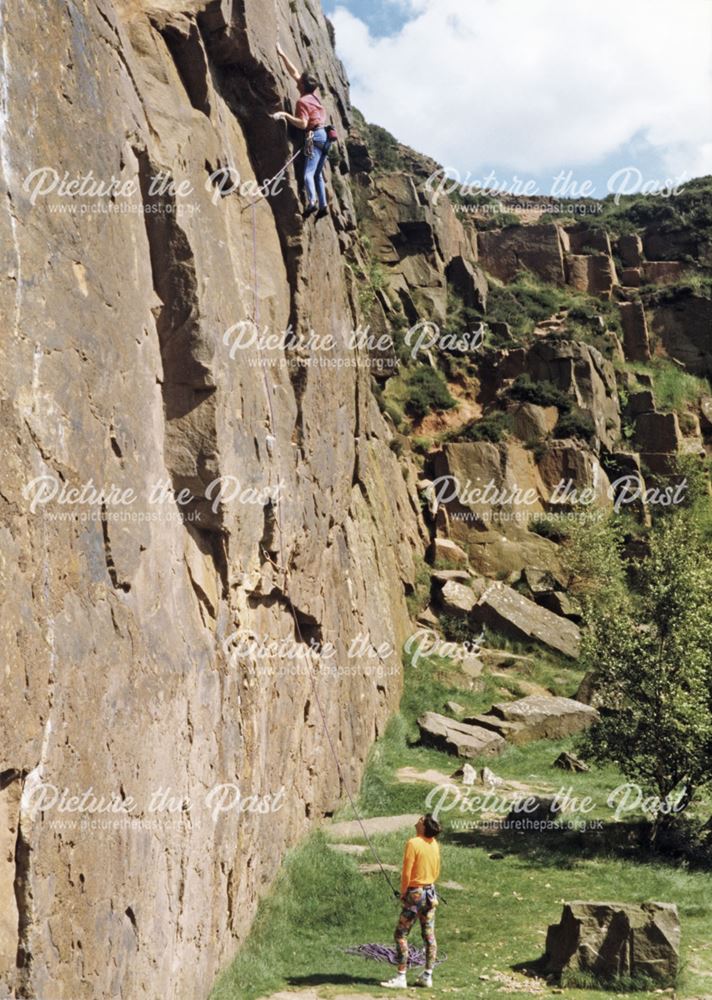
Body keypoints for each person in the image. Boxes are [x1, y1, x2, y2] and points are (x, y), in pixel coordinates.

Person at [381, 813, 442, 990]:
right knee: (429, 935)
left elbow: (407, 872)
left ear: (423, 825)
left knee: (401, 934)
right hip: (430, 893)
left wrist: (403, 892)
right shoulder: (434, 844)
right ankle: (427, 975)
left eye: (421, 818)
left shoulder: (413, 843)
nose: (418, 820)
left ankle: (401, 976)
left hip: (415, 893)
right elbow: (437, 870)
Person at [271, 42, 332, 219]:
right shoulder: (313, 96)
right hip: (325, 137)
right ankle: (323, 205)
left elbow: (303, 124)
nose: (297, 82)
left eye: (300, 83)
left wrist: (284, 114)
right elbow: (295, 73)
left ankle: (312, 202)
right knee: (318, 173)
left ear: (303, 86)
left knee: (308, 174)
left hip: (315, 135)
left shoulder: (303, 102)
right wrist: (282, 54)